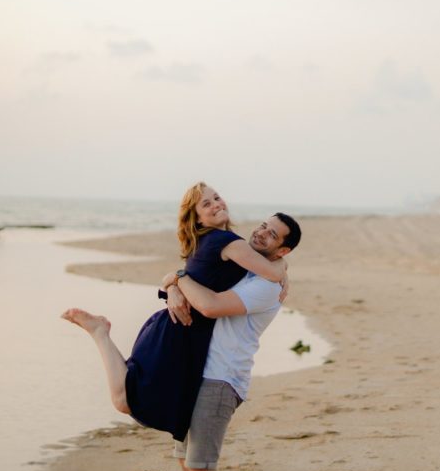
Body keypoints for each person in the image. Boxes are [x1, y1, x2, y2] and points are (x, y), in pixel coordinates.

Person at [61, 182, 286, 442]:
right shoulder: (226, 242)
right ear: (197, 218)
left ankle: (100, 332)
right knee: (126, 398)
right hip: (177, 333)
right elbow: (271, 271)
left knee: (131, 395)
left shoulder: (212, 242)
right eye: (206, 204)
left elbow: (258, 266)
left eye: (217, 197)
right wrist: (283, 266)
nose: (216, 204)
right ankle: (100, 332)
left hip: (179, 331)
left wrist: (281, 262)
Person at [160, 212, 302, 471]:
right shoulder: (240, 267)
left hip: (221, 378)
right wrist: (173, 285)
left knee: (201, 466)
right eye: (264, 225)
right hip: (196, 370)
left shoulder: (265, 286)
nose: (262, 233)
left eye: (273, 235)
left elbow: (209, 304)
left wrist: (178, 277)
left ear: (282, 251)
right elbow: (187, 280)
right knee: (186, 461)